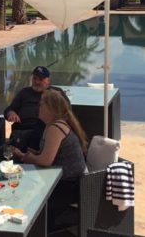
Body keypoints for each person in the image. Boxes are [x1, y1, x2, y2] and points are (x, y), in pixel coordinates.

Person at [11, 89, 88, 230]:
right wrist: (29, 154)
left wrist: (29, 158)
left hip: (68, 186)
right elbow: (46, 154)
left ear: (50, 109)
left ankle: (36, 229)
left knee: (26, 199)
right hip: (61, 180)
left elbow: (46, 161)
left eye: (41, 105)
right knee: (24, 190)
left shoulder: (56, 128)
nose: (38, 108)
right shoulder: (51, 125)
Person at [4, 66, 68, 151]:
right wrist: (11, 113)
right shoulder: (24, 92)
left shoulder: (54, 94)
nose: (37, 82)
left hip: (45, 132)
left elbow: (67, 113)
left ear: (48, 81)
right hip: (22, 130)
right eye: (34, 78)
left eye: (40, 79)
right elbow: (9, 109)